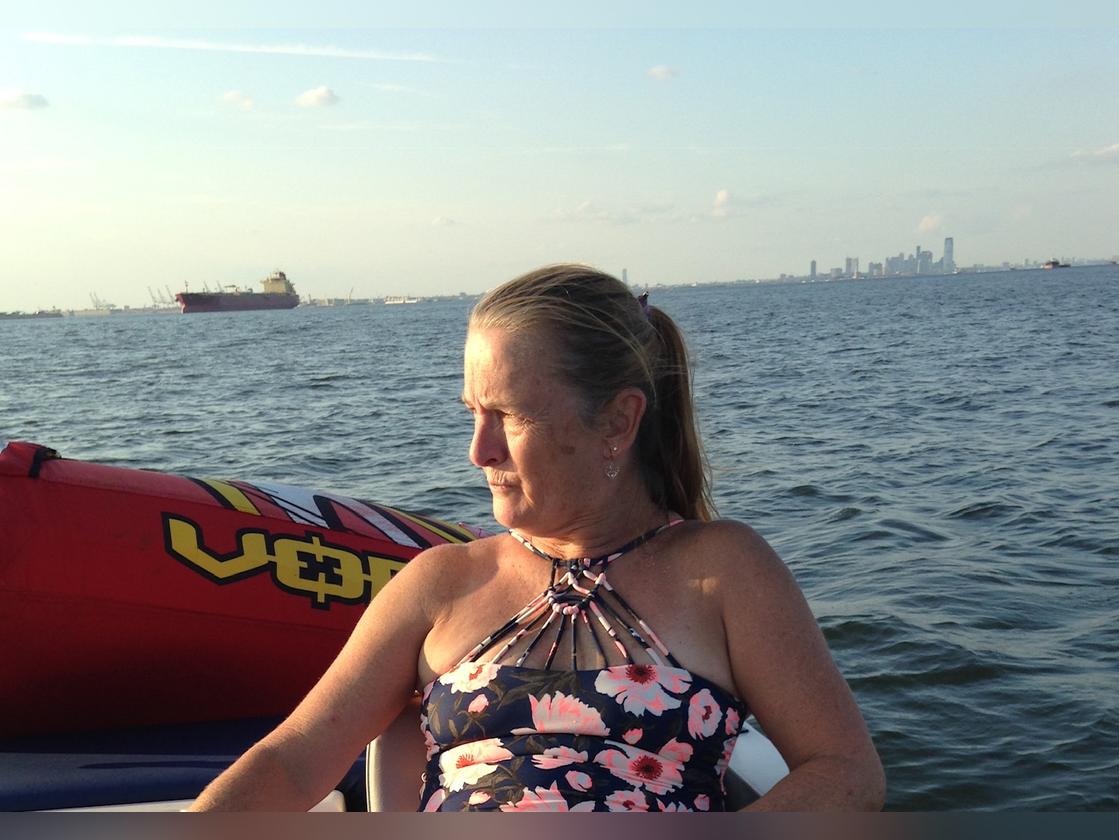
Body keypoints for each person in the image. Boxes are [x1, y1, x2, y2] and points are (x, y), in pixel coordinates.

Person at [189, 264, 885, 812]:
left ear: (617, 422)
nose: (478, 450)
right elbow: (292, 761)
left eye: (508, 416)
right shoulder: (438, 583)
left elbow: (845, 771)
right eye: (472, 413)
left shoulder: (722, 570)